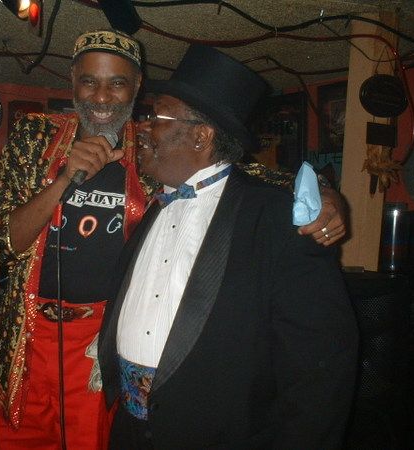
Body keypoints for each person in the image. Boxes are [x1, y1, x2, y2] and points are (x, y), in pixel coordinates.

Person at [0, 29, 346, 449]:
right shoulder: (34, 137)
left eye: (118, 83)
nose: (102, 97)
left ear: (136, 87)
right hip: (28, 333)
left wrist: (323, 192)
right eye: (89, 81)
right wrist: (62, 181)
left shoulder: (150, 148)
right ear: (73, 81)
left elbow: (236, 168)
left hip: (99, 341)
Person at [98, 44, 359, 450]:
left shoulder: (279, 219)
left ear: (201, 136)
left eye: (157, 116)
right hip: (129, 430)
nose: (142, 127)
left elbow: (320, 370)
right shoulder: (152, 204)